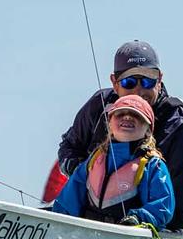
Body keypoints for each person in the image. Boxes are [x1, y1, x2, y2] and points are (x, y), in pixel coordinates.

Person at [58, 40, 183, 230]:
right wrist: (91, 178)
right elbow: (69, 148)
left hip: (144, 229)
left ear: (160, 79)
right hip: (88, 223)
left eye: (148, 81)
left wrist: (140, 219)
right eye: (129, 82)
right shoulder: (99, 107)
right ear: (114, 83)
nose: (139, 91)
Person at [52, 94, 174, 229]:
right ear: (109, 124)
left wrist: (138, 219)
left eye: (136, 115)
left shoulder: (152, 165)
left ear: (148, 130)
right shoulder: (95, 159)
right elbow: (68, 200)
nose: (127, 117)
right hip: (88, 235)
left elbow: (163, 205)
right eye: (120, 114)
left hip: (129, 236)